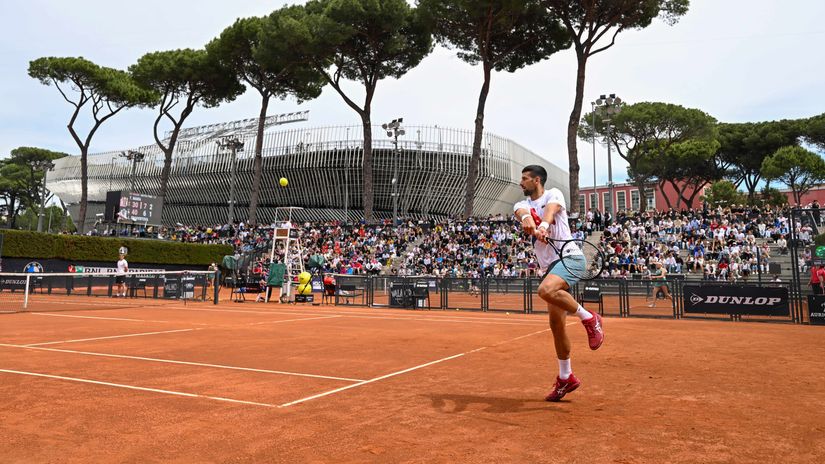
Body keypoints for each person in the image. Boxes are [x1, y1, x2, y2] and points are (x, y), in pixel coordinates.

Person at [513, 165, 604, 402]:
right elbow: (522, 212)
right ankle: (566, 378)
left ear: (537, 180)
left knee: (545, 290)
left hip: (570, 258)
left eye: (525, 179)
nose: (520, 182)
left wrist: (543, 225)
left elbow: (551, 211)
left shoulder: (554, 194)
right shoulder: (520, 204)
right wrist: (528, 222)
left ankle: (589, 318)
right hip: (550, 268)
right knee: (556, 325)